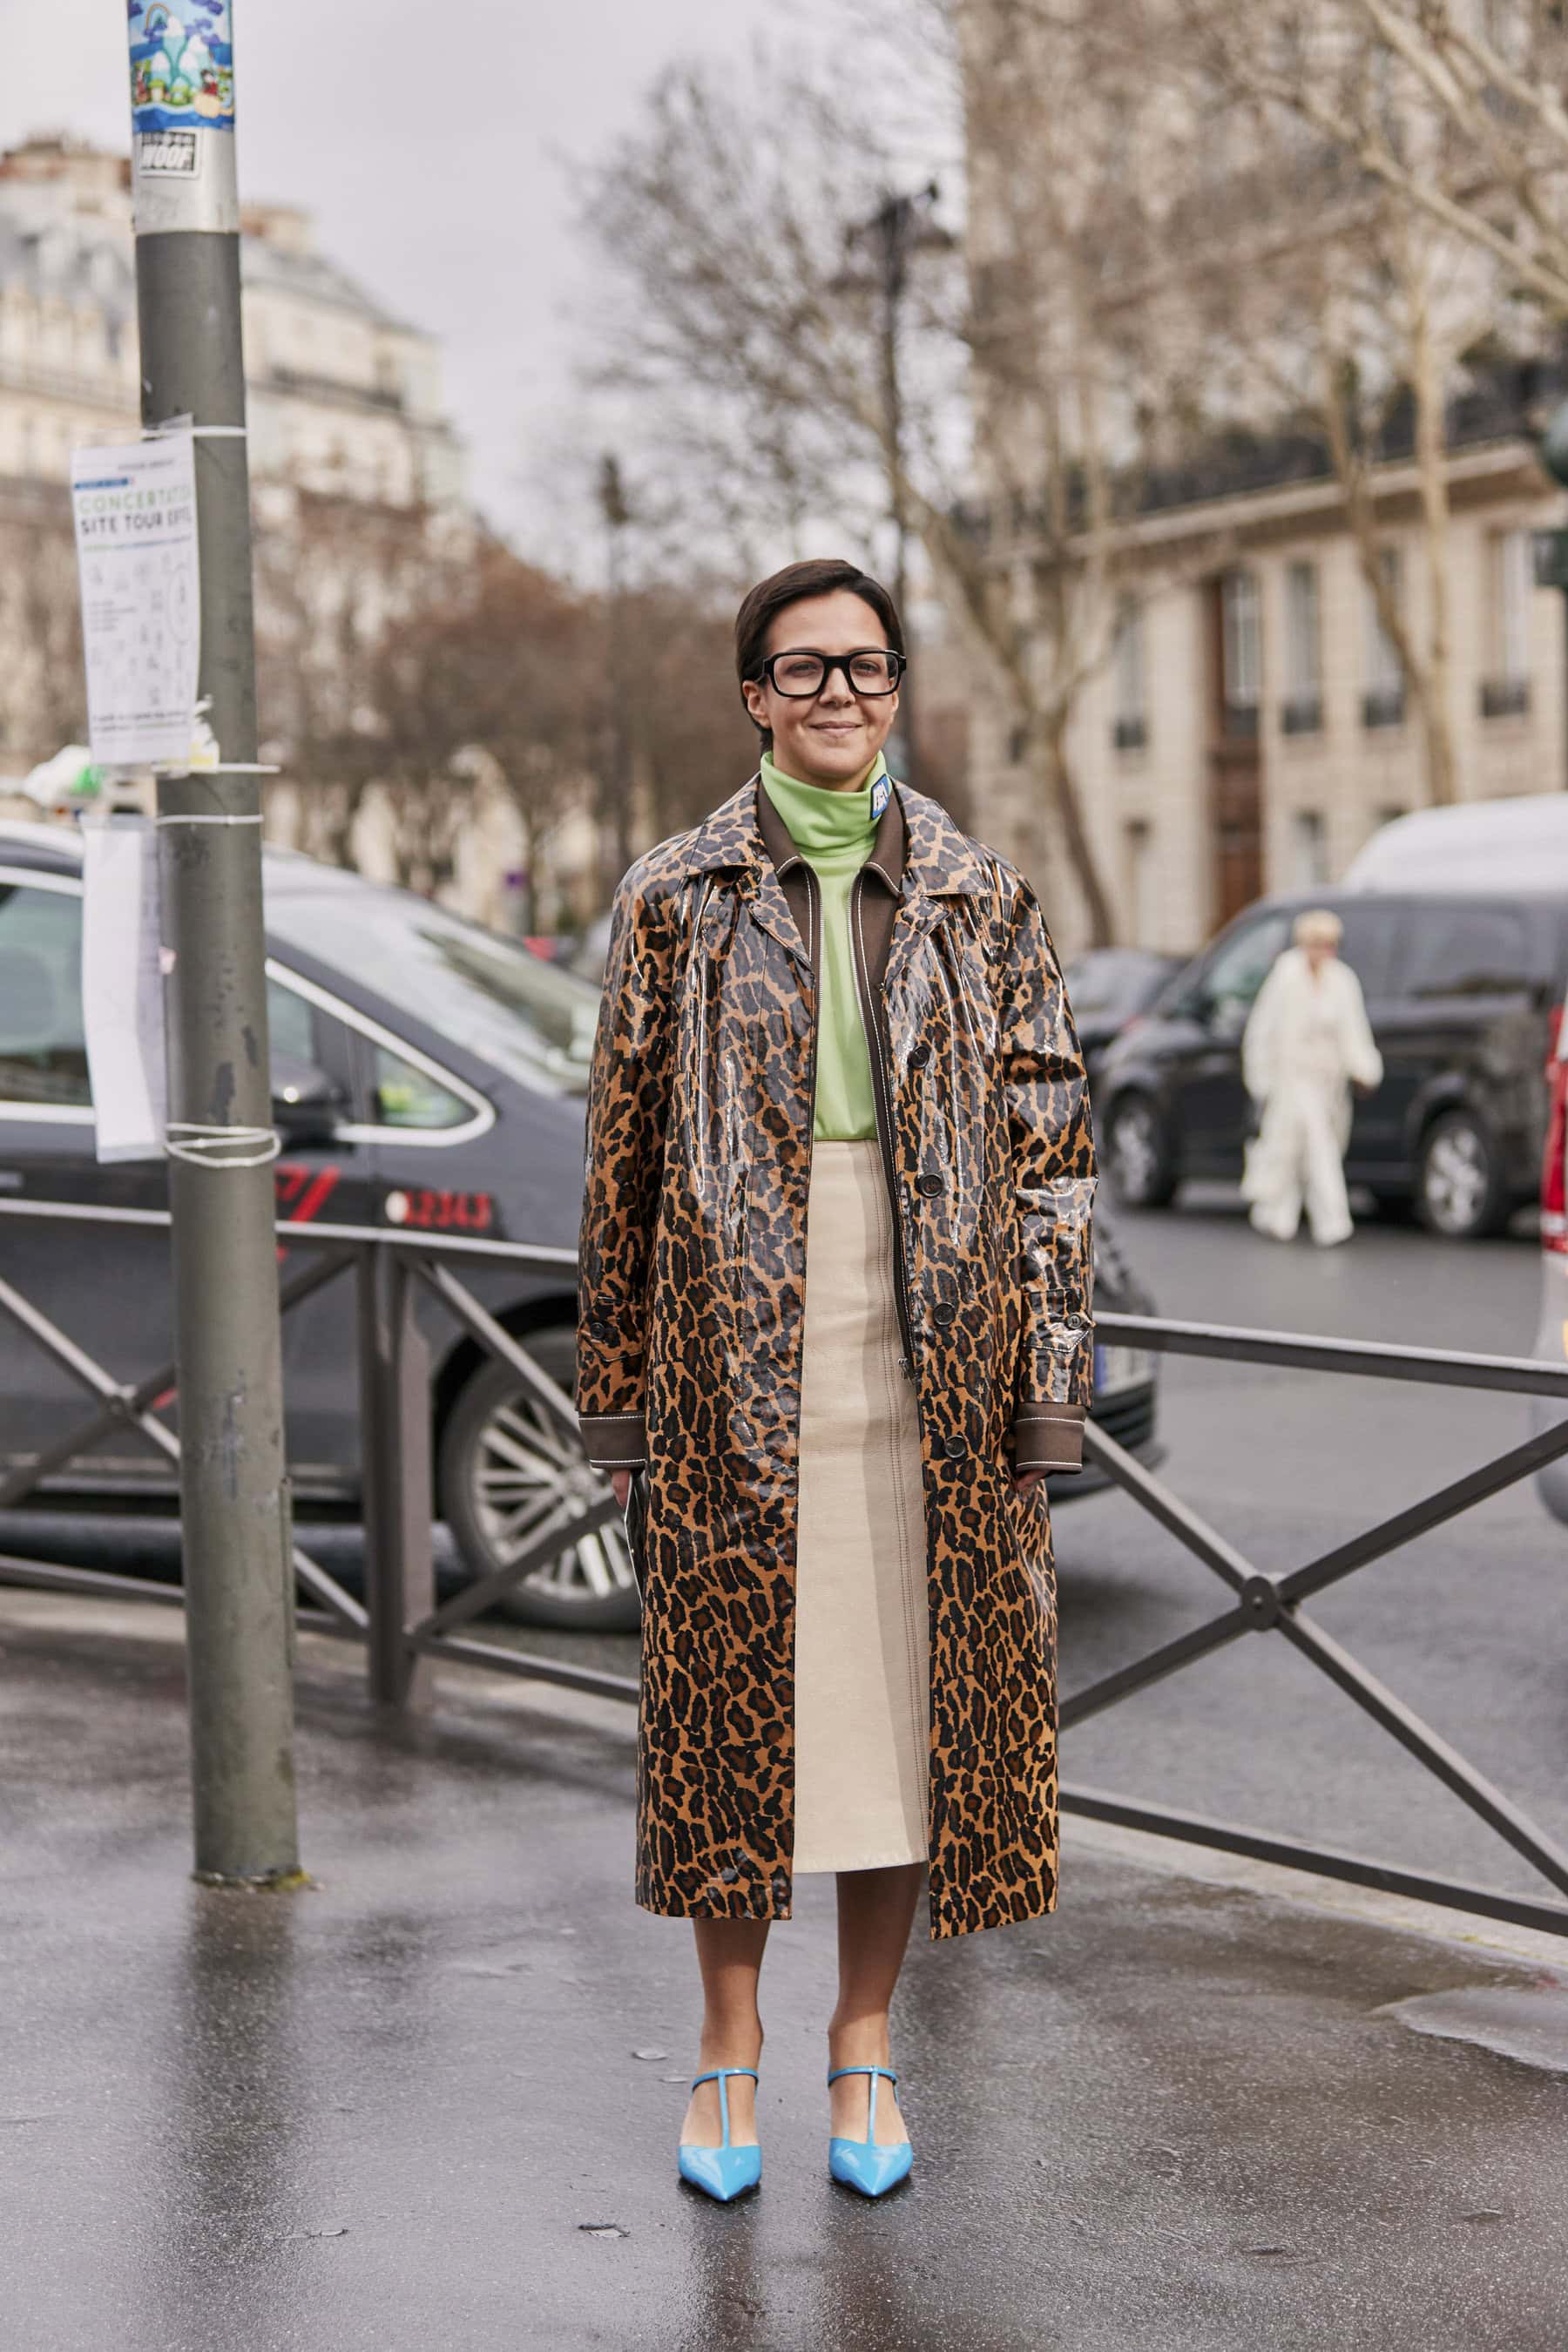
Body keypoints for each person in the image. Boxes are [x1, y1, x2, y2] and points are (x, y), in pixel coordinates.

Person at [577, 557, 1095, 2201]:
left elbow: (1053, 1150)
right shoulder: (678, 894)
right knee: (733, 1711)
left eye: (866, 670)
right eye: (805, 672)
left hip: (935, 1340)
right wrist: (619, 1396)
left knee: (903, 1712)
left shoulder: (977, 893)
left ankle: (861, 2042)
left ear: (895, 689)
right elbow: (623, 1157)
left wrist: (1048, 1386)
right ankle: (727, 2057)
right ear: (753, 697)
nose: (841, 698)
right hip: (736, 1338)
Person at [1240, 908, 1383, 1247]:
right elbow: (1264, 1028)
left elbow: (1354, 1031)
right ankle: (1331, 1221)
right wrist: (1262, 1076)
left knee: (1300, 1149)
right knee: (1313, 1148)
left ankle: (1277, 1212)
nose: (1324, 951)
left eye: (1330, 944)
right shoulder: (1286, 975)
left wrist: (1364, 1068)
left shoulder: (1343, 979)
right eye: (1318, 943)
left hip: (1327, 1082)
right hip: (1292, 1078)